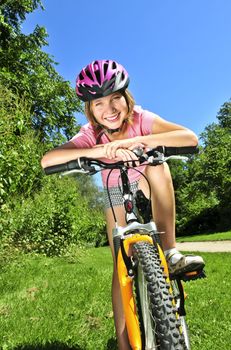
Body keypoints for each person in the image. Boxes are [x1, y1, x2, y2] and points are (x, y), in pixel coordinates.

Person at [41, 59, 205, 350]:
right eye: (99, 103)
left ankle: (170, 251)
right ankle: (122, 342)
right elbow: (48, 159)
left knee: (159, 167)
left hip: (146, 178)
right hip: (114, 190)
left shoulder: (141, 118)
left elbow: (189, 137)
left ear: (126, 97)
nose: (110, 109)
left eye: (116, 98)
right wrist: (103, 150)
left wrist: (137, 143)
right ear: (90, 110)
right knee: (120, 261)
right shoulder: (90, 133)